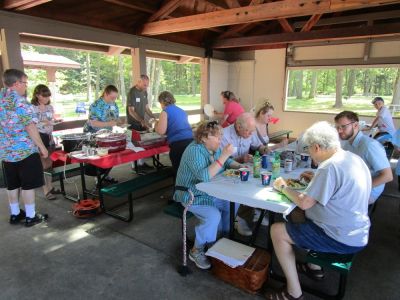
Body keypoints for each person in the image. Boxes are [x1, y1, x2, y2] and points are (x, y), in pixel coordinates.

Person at [268, 121, 371, 300]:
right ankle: (313, 268)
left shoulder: (329, 167)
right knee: (296, 215)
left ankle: (294, 292)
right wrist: (316, 178)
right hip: (358, 231)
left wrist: (283, 187)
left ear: (316, 147)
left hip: (340, 237)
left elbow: (305, 203)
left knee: (277, 230)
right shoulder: (352, 159)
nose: (308, 153)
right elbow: (341, 186)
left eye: (308, 149)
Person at [174, 121, 243, 270]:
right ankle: (196, 250)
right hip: (191, 194)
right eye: (218, 137)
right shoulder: (194, 150)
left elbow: (227, 162)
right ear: (204, 138)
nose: (221, 140)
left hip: (210, 191)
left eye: (221, 136)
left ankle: (223, 238)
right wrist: (224, 155)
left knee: (233, 203)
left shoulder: (212, 148)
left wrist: (240, 166)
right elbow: (204, 176)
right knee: (213, 216)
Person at [0, 69, 49, 227]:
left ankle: (15, 214)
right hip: (25, 151)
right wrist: (42, 146)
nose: (26, 86)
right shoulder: (20, 102)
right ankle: (30, 216)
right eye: (25, 83)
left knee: (12, 184)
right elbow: (30, 126)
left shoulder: (1, 96)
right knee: (28, 184)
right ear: (16, 84)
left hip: (6, 151)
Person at [220, 112, 268, 236]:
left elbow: (258, 146)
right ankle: (241, 218)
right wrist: (241, 159)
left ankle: (255, 209)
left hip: (244, 169)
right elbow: (221, 162)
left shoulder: (249, 130)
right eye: (248, 131)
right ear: (239, 127)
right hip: (227, 174)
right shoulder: (224, 135)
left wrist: (264, 149)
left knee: (261, 182)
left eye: (252, 131)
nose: (251, 134)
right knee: (248, 188)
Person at [334, 111, 392, 205]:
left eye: (343, 126)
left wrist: (358, 188)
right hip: (352, 184)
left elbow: (387, 176)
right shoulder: (347, 143)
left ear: (356, 125)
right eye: (337, 127)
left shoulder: (370, 146)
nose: (339, 131)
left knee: (328, 204)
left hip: (368, 191)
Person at [83, 85, 121, 184]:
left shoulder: (113, 104)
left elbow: (116, 118)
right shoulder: (96, 105)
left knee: (108, 155)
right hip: (94, 134)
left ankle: (105, 175)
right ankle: (98, 178)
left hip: (106, 134)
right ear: (106, 94)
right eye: (112, 97)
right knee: (98, 157)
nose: (114, 100)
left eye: (115, 98)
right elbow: (93, 122)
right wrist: (109, 123)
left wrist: (120, 122)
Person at [31, 84, 62, 200]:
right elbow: (31, 125)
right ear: (37, 95)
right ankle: (46, 190)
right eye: (44, 96)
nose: (47, 98)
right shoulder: (32, 108)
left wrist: (53, 121)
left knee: (49, 163)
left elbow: (51, 120)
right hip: (39, 137)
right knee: (43, 164)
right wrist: (45, 123)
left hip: (49, 136)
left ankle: (50, 186)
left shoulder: (50, 107)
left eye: (48, 96)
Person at [154, 91, 193, 173]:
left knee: (179, 172)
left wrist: (155, 125)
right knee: (190, 170)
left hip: (178, 145)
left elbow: (161, 131)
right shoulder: (181, 110)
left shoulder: (165, 111)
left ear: (161, 102)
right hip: (191, 142)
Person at [126, 74, 156, 169]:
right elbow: (131, 111)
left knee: (143, 143)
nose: (146, 87)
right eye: (144, 85)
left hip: (141, 122)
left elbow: (146, 108)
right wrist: (141, 120)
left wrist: (154, 117)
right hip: (133, 123)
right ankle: (134, 166)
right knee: (134, 144)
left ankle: (141, 164)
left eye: (147, 85)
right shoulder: (132, 92)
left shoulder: (144, 92)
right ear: (138, 82)